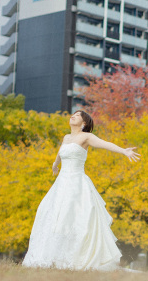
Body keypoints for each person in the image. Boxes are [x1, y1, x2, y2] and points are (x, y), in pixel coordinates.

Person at [22, 110, 140, 271]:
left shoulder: (86, 137)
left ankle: (75, 258)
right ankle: (50, 257)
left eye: (77, 115)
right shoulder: (66, 138)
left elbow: (106, 144)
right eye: (73, 114)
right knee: (52, 216)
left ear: (84, 123)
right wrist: (55, 165)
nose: (73, 116)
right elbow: (61, 153)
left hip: (77, 184)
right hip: (60, 184)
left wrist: (123, 151)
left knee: (74, 218)